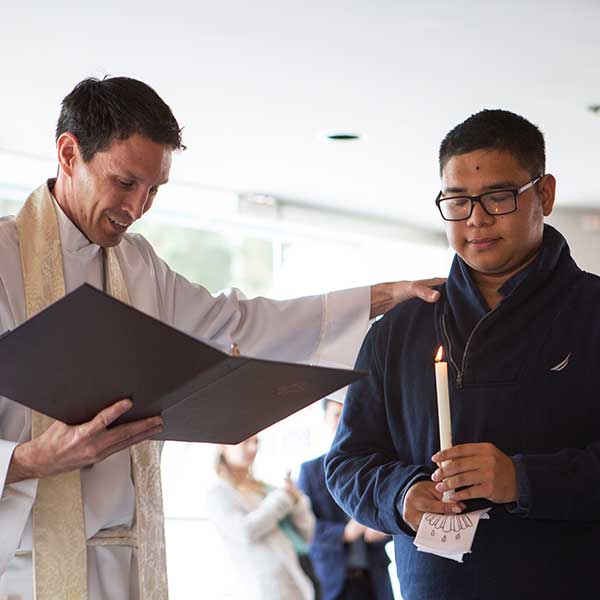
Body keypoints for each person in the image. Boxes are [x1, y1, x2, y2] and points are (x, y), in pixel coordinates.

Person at [0, 76, 443, 600]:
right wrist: (28, 460)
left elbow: (235, 324)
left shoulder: (137, 263)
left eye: (154, 190)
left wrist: (379, 297)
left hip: (128, 562)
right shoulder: (6, 259)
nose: (139, 208)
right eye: (124, 183)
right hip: (25, 564)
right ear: (69, 153)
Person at [325, 109, 600, 600]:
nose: (477, 218)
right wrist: (400, 495)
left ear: (545, 194)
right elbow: (347, 462)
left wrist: (522, 478)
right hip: (436, 585)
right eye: (457, 200)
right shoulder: (401, 329)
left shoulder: (592, 313)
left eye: (498, 196)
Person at [298, 397, 393, 600]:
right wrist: (345, 533)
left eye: (347, 413)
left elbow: (393, 512)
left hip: (374, 578)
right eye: (336, 414)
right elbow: (306, 529)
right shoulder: (310, 471)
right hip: (335, 582)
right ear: (325, 419)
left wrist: (385, 528)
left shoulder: (373, 466)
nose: (343, 421)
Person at [207, 435, 318, 599]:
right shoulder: (218, 491)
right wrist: (284, 498)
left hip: (300, 573)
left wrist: (297, 501)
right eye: (245, 442)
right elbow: (245, 531)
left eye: (256, 442)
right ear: (222, 445)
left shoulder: (266, 488)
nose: (253, 448)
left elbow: (306, 535)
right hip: (269, 587)